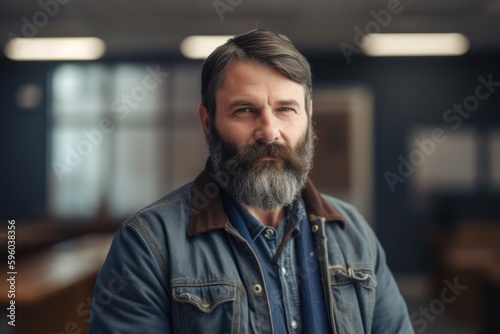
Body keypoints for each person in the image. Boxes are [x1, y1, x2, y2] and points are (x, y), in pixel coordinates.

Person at [88, 29, 413, 333]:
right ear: (207, 122)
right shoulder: (149, 244)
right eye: (245, 110)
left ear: (308, 117)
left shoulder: (353, 233)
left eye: (285, 109)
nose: (269, 131)